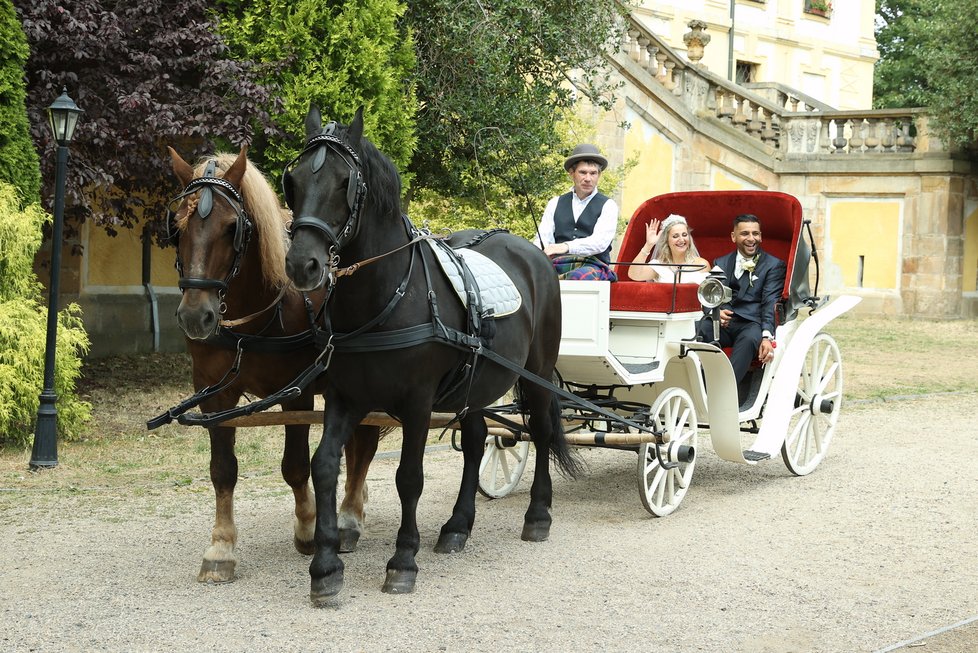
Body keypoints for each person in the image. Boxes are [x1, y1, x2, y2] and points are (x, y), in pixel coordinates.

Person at [696, 213, 786, 403]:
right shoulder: (721, 262)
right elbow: (708, 294)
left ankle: (721, 396)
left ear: (761, 236)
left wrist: (767, 336)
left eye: (756, 234)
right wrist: (715, 313)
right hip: (724, 324)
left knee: (748, 340)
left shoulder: (774, 265)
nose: (751, 239)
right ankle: (694, 385)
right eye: (745, 233)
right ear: (733, 236)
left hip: (751, 324)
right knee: (699, 329)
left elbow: (769, 302)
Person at [536, 143, 619, 281]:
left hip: (594, 266)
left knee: (579, 277)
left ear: (599, 175)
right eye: (582, 172)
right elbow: (542, 238)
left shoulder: (608, 205)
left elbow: (599, 242)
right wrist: (537, 255)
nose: (588, 178)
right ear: (571, 173)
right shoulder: (555, 203)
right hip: (558, 263)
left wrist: (565, 246)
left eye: (593, 173)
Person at [627, 213, 710, 284]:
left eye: (684, 235)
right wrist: (648, 245)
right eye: (675, 236)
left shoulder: (702, 265)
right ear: (667, 241)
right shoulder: (659, 266)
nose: (681, 240)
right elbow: (634, 275)